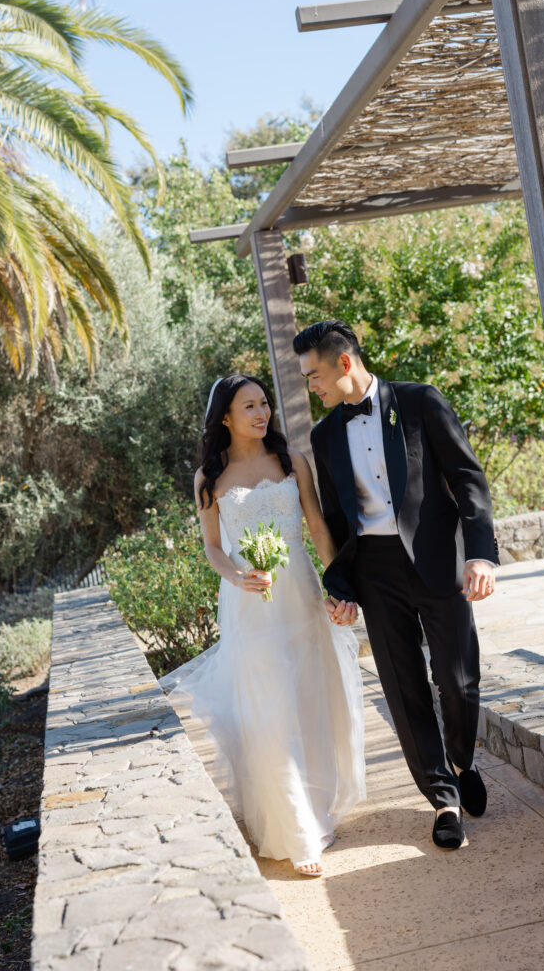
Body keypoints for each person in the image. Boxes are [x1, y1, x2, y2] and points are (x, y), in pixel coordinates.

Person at [293, 320, 499, 850]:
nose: (310, 387)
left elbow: (468, 477)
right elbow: (338, 522)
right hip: (375, 570)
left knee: (457, 680)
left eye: (313, 375)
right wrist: (341, 589)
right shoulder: (323, 436)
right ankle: (443, 799)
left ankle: (462, 758)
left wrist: (480, 554)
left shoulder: (419, 401)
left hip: (437, 560)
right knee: (404, 691)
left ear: (343, 364)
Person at [160, 374, 366, 876]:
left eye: (264, 403)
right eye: (249, 406)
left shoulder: (292, 462)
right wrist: (236, 575)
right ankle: (298, 833)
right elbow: (212, 547)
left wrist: (339, 586)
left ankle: (315, 812)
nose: (261, 412)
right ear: (225, 418)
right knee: (270, 713)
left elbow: (316, 526)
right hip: (249, 606)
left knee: (310, 701)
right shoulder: (208, 478)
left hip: (299, 595)